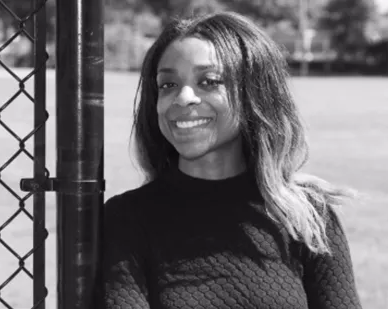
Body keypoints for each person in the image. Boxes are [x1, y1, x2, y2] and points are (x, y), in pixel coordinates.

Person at [96, 11, 363, 309]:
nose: (183, 98)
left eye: (209, 81)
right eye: (168, 85)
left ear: (254, 94)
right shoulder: (128, 219)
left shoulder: (308, 217)